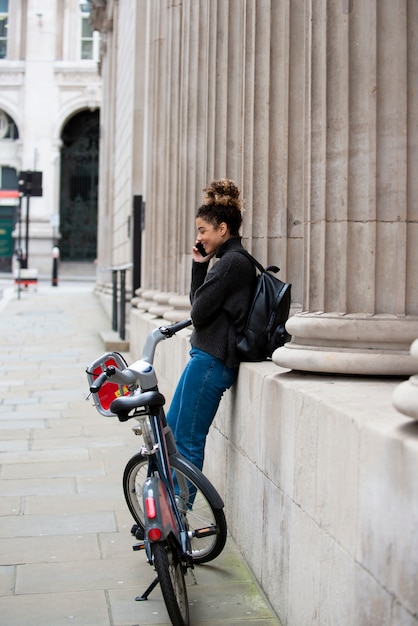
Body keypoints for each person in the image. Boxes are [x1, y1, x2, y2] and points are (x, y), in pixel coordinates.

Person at [166, 178, 256, 472]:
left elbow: (198, 312)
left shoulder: (232, 262)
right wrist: (199, 265)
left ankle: (180, 513)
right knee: (172, 431)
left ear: (222, 229)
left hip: (212, 361)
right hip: (205, 358)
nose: (200, 236)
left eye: (203, 230)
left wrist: (204, 269)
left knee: (187, 439)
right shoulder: (228, 261)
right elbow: (199, 305)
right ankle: (173, 509)